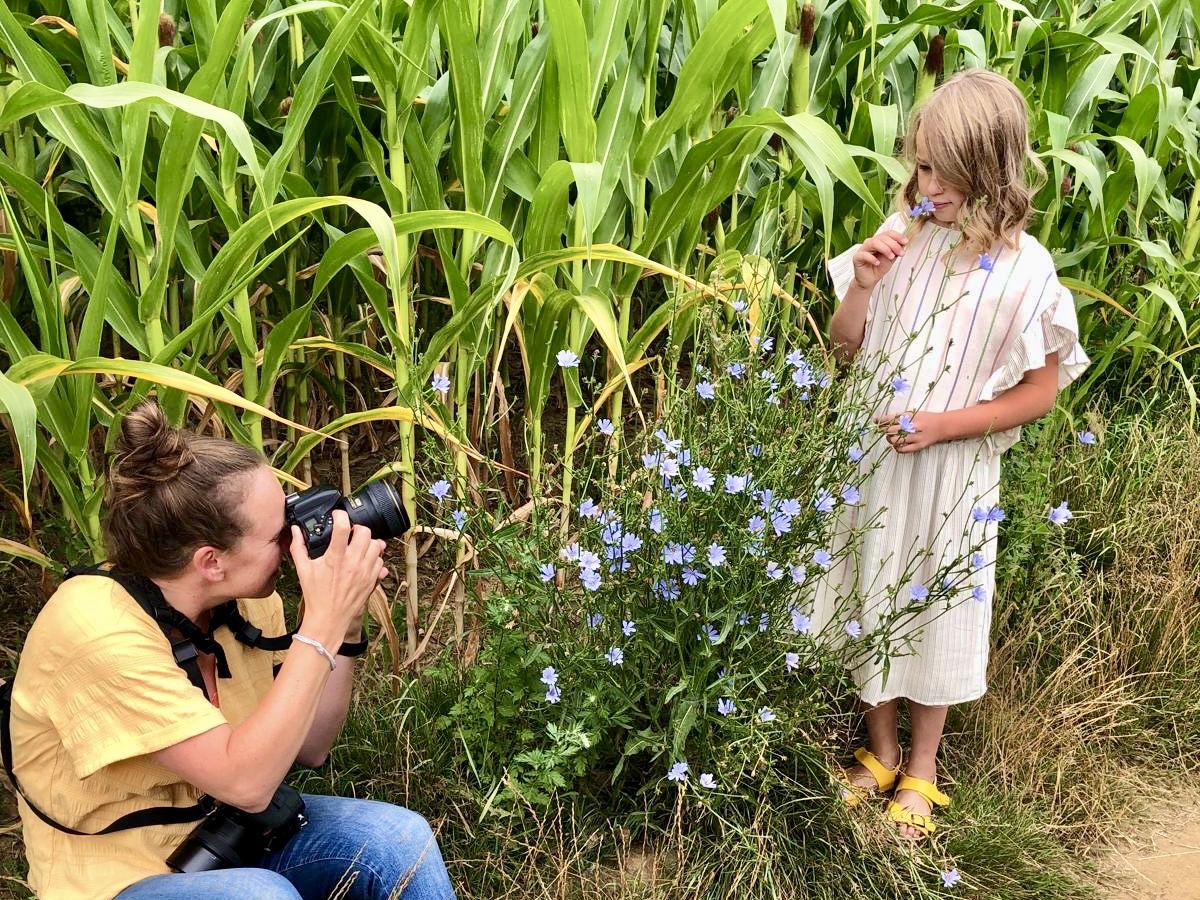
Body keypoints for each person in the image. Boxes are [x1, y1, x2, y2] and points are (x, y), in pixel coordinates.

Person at [7, 401, 458, 899]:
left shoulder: (241, 601)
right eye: (276, 533)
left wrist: (344, 623)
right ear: (211, 561)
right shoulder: (97, 630)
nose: (294, 540)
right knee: (258, 896)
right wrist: (321, 626)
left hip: (226, 832)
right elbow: (247, 783)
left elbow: (312, 746)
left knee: (397, 840)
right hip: (113, 874)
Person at [817, 69, 1088, 839]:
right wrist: (863, 283)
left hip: (953, 474)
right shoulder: (900, 235)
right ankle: (877, 751)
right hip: (869, 462)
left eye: (936, 167)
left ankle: (922, 767)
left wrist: (944, 424)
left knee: (934, 611)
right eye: (920, 162)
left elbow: (1040, 394)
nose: (920, 180)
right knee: (871, 593)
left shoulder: (1027, 272)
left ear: (984, 168)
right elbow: (845, 347)